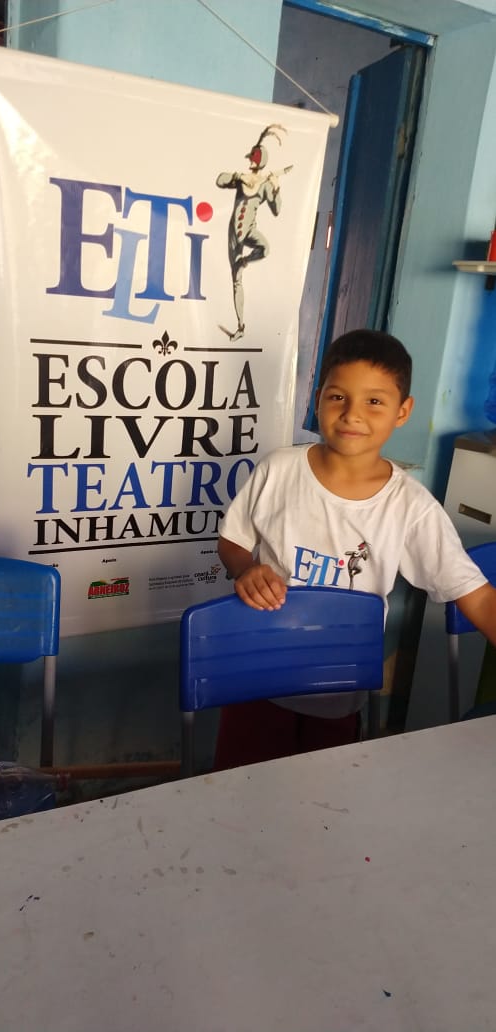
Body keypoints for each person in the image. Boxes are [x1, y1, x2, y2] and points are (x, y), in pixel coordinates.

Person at [215, 328, 496, 768]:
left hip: (338, 692)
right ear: (318, 399)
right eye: (337, 397)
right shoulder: (279, 469)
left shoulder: (410, 506)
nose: (352, 414)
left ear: (403, 411)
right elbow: (232, 541)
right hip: (255, 677)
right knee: (239, 788)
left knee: (323, 798)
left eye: (374, 401)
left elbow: (475, 595)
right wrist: (244, 568)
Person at [216, 124, 289, 341]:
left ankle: (245, 261)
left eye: (252, 158)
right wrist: (239, 176)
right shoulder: (243, 180)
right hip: (233, 234)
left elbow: (277, 210)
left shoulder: (265, 185)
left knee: (265, 248)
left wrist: (276, 188)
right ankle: (241, 326)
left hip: (249, 231)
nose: (250, 161)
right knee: (236, 280)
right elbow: (220, 180)